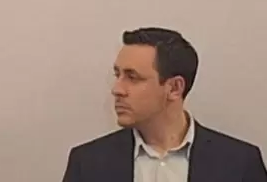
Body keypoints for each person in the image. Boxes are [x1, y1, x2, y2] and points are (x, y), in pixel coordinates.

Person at [61, 27, 267, 182]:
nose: (117, 89)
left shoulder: (240, 164)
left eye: (132, 77)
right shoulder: (87, 164)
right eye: (118, 74)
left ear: (174, 88)